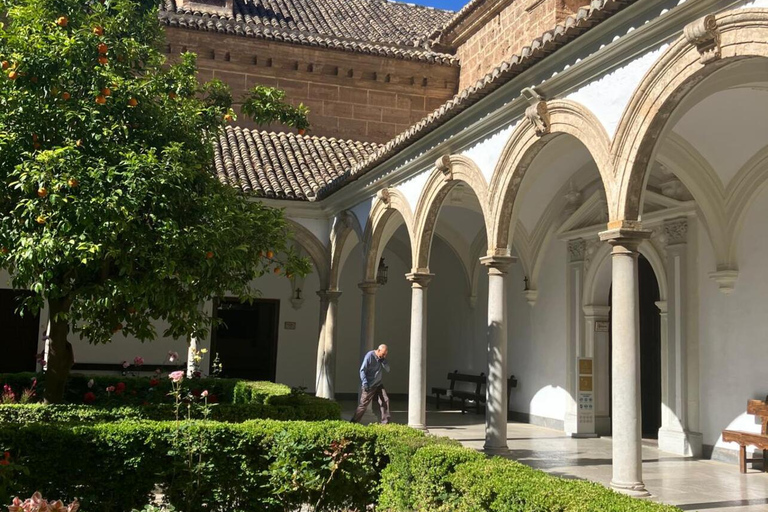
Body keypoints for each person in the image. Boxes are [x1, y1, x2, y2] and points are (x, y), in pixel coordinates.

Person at [351, 344, 391, 424]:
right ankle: (353, 422)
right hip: (369, 385)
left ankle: (385, 422)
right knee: (363, 405)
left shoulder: (382, 359)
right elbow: (362, 370)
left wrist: (384, 362)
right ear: (378, 350)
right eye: (383, 354)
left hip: (378, 384)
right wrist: (365, 382)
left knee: (385, 400)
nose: (384, 356)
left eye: (385, 355)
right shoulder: (369, 356)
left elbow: (388, 370)